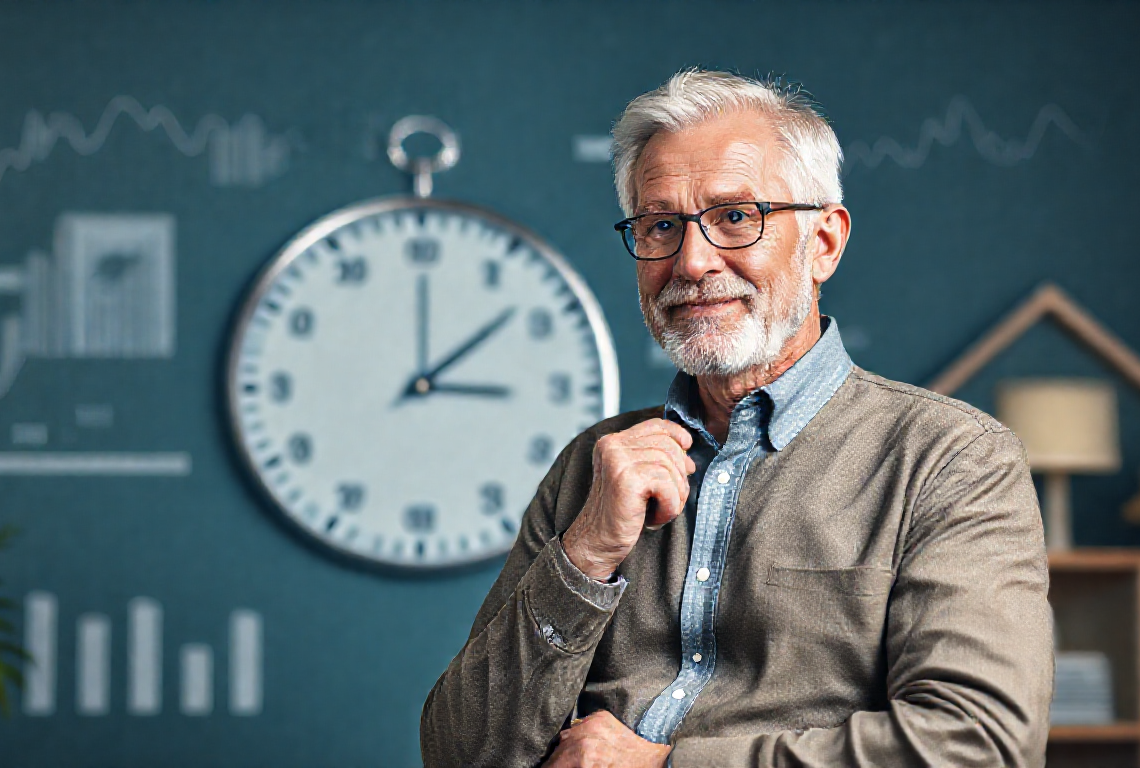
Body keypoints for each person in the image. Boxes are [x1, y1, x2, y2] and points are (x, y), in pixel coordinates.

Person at [420, 69, 1052, 768]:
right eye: (660, 225)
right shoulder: (592, 465)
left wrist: (663, 766)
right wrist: (587, 553)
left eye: (736, 217)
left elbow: (978, 745)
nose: (691, 261)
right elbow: (460, 754)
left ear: (824, 243)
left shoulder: (950, 460)